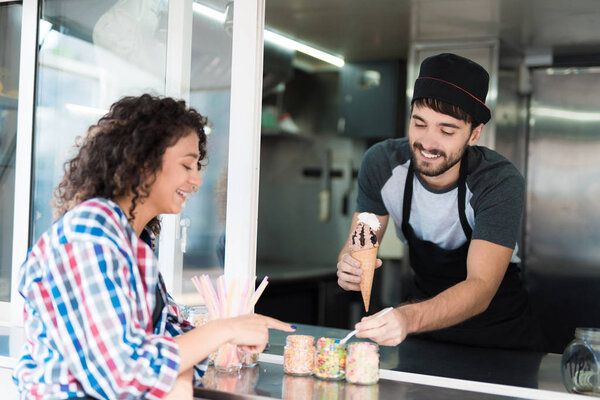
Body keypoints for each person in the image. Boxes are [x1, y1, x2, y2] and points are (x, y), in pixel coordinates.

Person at [13, 94, 295, 399]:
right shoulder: (88, 236)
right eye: (187, 165)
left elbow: (167, 339)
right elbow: (121, 372)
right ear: (142, 161)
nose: (197, 180)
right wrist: (224, 330)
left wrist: (227, 331)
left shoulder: (132, 241)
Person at [337, 53, 544, 351]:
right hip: (426, 336)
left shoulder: (497, 180)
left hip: (498, 339)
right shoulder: (381, 165)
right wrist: (351, 267)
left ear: (474, 134)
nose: (428, 143)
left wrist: (407, 318)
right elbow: (361, 245)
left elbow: (481, 287)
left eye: (446, 130)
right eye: (419, 124)